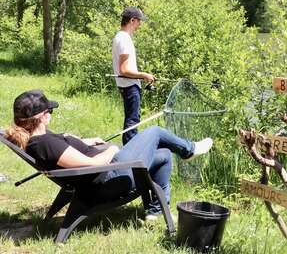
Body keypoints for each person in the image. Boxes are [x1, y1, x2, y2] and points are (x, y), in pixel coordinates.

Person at [3, 90, 213, 220]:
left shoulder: (36, 137)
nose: (51, 114)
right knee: (155, 132)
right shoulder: (45, 144)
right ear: (39, 117)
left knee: (164, 154)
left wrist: (85, 141)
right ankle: (189, 150)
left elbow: (63, 150)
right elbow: (89, 164)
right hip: (110, 180)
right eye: (49, 111)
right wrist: (113, 150)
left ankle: (156, 211)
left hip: (106, 174)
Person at [112, 6, 155, 144]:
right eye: (139, 21)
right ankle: (130, 156)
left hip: (127, 86)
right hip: (130, 87)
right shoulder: (124, 39)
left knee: (131, 121)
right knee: (132, 123)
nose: (140, 25)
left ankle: (128, 154)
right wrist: (144, 75)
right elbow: (123, 70)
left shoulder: (119, 37)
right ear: (132, 20)